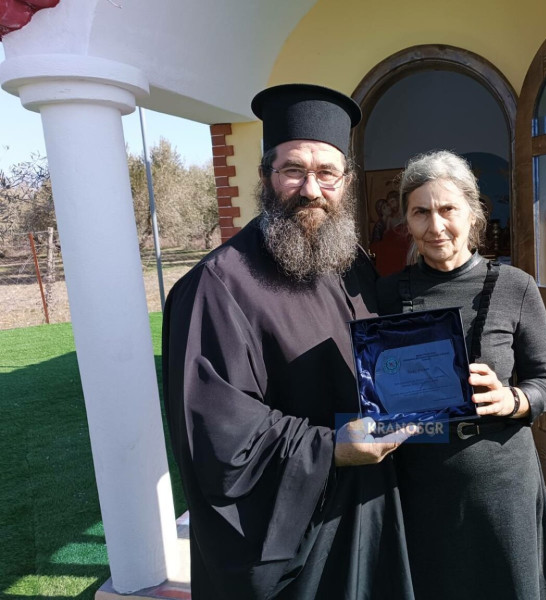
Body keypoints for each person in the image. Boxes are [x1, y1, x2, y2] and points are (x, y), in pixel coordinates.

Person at [162, 84, 415, 600]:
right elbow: (218, 438)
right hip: (295, 540)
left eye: (327, 174)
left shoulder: (349, 261)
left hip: (368, 507)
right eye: (293, 170)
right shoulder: (216, 286)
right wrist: (332, 448)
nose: (311, 189)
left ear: (346, 182)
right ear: (265, 177)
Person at [376, 150, 546, 600]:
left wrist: (512, 400)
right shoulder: (386, 293)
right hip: (421, 485)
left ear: (473, 213)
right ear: (406, 219)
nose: (435, 226)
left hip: (501, 484)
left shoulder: (516, 286)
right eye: (420, 212)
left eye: (448, 209)